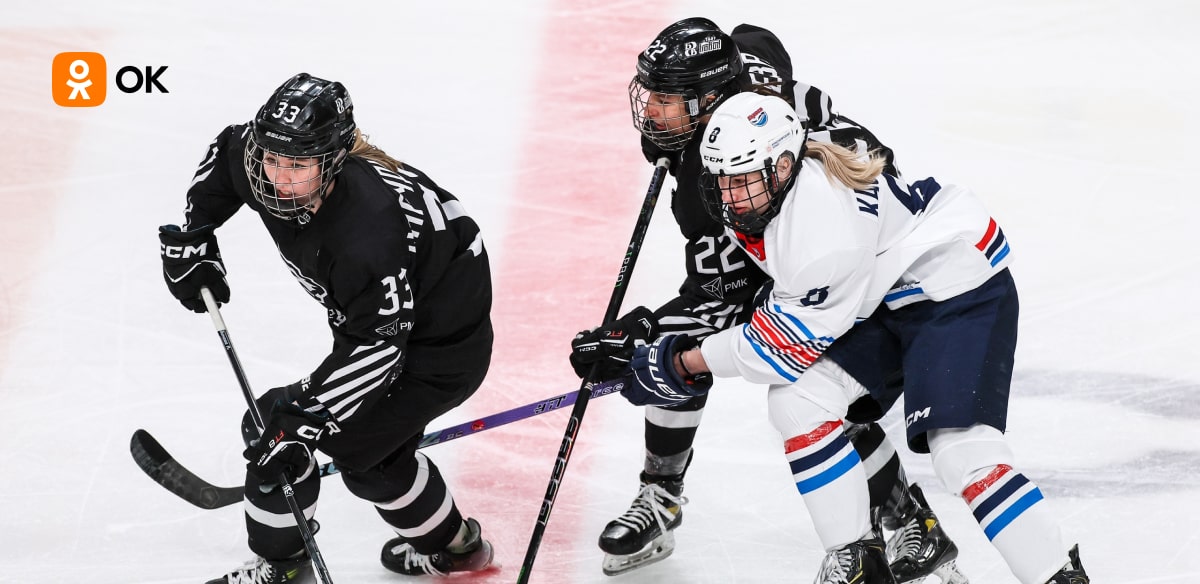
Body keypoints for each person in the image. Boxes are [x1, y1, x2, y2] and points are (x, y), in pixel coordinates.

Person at [620, 92, 1091, 584]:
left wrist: (682, 363)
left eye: (743, 181)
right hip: (883, 295)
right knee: (799, 400)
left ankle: (1056, 576)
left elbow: (776, 348)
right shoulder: (780, 185)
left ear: (783, 166)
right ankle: (859, 564)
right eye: (723, 180)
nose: (731, 196)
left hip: (955, 288)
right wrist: (658, 337)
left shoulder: (820, 233)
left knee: (961, 452)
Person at [568, 17, 965, 582]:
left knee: (809, 383)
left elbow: (722, 299)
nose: (650, 110)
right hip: (825, 238)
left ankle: (906, 519)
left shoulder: (725, 177)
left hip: (861, 266)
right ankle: (662, 494)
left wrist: (642, 336)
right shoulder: (738, 103)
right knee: (685, 349)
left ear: (709, 102)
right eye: (650, 93)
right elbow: (755, 38)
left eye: (666, 98)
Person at [157, 73, 497, 583]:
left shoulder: (367, 234)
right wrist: (195, 236)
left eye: (297, 166)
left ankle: (286, 572)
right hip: (380, 319)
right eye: (272, 159)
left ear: (333, 160)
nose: (278, 179)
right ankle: (458, 549)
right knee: (371, 460)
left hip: (440, 349)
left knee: (280, 434)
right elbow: (226, 156)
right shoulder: (262, 158)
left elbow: (379, 347)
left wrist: (305, 417)